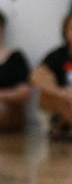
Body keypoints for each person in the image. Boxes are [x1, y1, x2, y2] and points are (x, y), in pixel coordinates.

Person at [32, 12, 72, 140]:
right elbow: (36, 76)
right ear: (65, 31)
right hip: (63, 103)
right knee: (46, 96)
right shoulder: (57, 55)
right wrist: (61, 92)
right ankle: (63, 124)